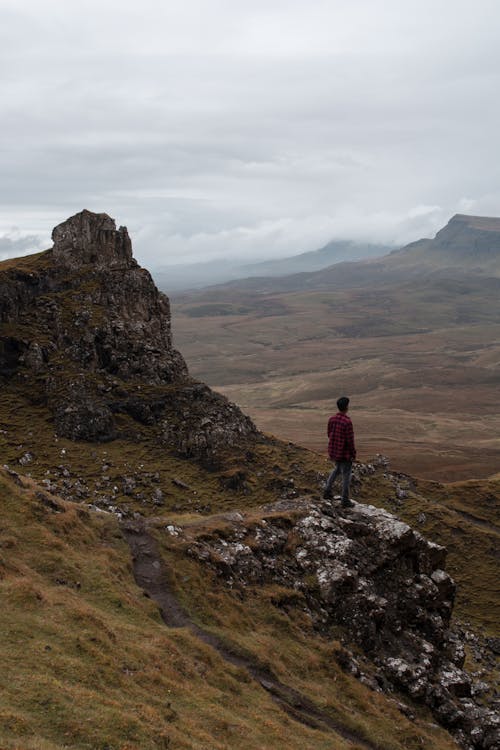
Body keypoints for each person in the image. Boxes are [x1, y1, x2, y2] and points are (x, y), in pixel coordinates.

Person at [323, 396, 356, 508]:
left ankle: (327, 491)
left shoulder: (332, 419)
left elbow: (329, 434)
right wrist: (353, 453)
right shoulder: (347, 422)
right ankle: (345, 500)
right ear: (346, 407)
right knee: (346, 476)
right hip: (344, 453)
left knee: (337, 469)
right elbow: (350, 440)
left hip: (334, 451)